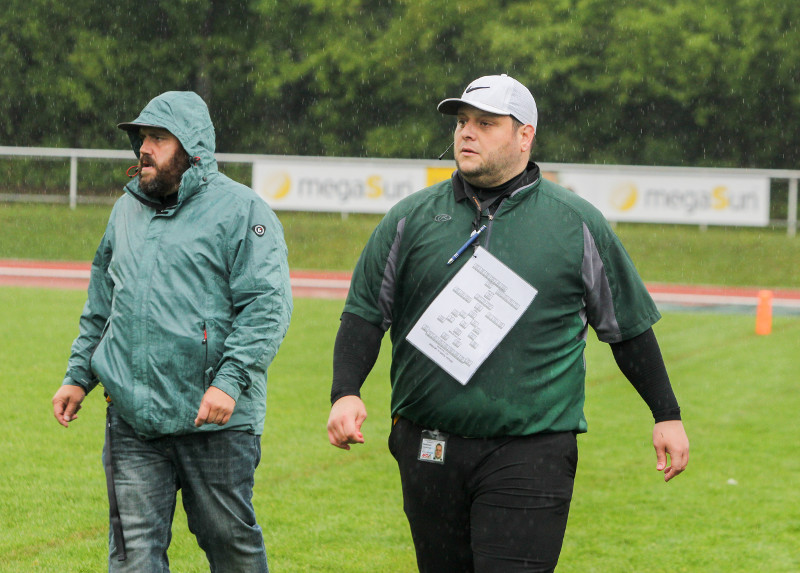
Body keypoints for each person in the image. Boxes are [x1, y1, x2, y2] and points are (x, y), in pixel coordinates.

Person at [326, 74, 689, 572]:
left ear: (525, 136)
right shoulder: (409, 218)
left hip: (531, 450)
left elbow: (626, 327)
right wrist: (345, 391)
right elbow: (366, 314)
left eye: (485, 123)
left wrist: (665, 412)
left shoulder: (575, 222)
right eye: (461, 122)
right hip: (428, 443)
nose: (466, 133)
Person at [52, 91, 293, 572]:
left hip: (216, 422)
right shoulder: (125, 211)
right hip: (133, 420)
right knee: (133, 555)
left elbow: (266, 305)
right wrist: (79, 375)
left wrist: (229, 381)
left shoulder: (242, 211)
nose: (145, 148)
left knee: (230, 547)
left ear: (192, 148)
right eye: (143, 138)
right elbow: (104, 302)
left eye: (159, 138)